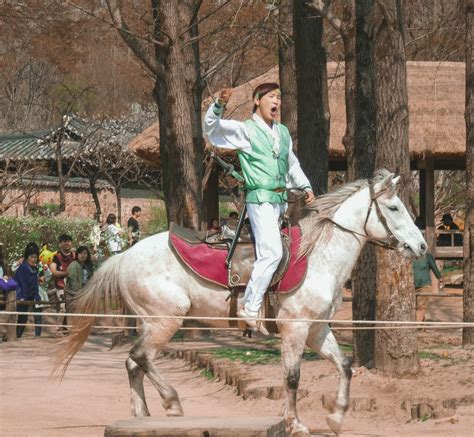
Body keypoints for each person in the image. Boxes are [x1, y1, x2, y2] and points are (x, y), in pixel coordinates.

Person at [203, 82, 315, 332]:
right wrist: (219, 106)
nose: (276, 101)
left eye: (279, 97)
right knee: (272, 253)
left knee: (283, 251)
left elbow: (291, 164)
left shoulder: (283, 132)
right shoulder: (246, 130)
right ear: (257, 100)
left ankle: (266, 308)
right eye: (271, 97)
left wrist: (305, 186)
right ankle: (250, 308)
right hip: (260, 200)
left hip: (279, 202)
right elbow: (212, 130)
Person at [50, 235, 76, 334]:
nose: (67, 243)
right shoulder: (56, 256)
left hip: (73, 286)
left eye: (69, 241)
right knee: (62, 308)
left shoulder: (74, 255)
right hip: (60, 286)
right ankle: (58, 330)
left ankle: (69, 329)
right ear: (60, 243)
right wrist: (67, 273)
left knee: (71, 308)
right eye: (64, 241)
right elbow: (54, 271)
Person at [14, 244, 42, 338]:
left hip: (29, 296)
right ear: (27, 258)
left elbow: (35, 284)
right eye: (31, 257)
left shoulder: (35, 268)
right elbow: (22, 284)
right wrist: (23, 297)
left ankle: (18, 336)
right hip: (20, 295)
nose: (33, 259)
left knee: (24, 318)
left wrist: (36, 296)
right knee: (21, 317)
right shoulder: (23, 268)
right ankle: (15, 336)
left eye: (35, 257)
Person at [65, 246, 94, 311]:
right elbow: (73, 282)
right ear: (77, 254)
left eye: (84, 253)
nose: (82, 255)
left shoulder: (87, 266)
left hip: (86, 293)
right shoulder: (73, 265)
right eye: (80, 253)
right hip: (74, 295)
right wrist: (79, 294)